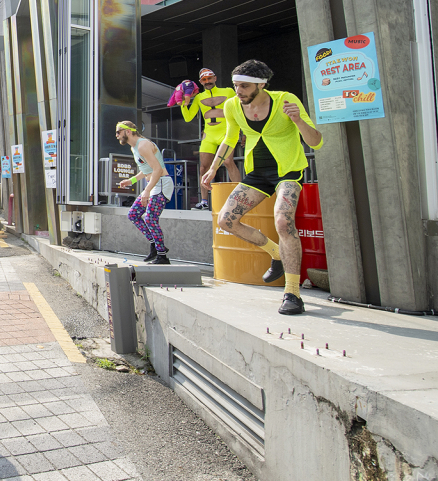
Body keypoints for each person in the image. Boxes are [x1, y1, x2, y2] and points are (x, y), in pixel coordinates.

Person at [204, 60, 323, 316]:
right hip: (256, 172)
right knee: (225, 220)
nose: (239, 91)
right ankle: (276, 253)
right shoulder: (232, 105)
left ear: (261, 84)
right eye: (236, 85)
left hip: (287, 169)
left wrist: (298, 121)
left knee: (283, 221)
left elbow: (316, 140)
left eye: (244, 86)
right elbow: (230, 137)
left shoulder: (284, 100)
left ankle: (292, 293)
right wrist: (213, 168)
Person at [181, 68, 242, 210]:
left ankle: (241, 196)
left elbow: (240, 110)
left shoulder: (228, 91)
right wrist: (184, 103)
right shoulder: (199, 97)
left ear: (215, 78)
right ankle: (204, 201)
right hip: (209, 135)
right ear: (201, 82)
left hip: (226, 132)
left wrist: (243, 131)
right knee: (203, 167)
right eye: (204, 80)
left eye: (209, 78)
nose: (207, 81)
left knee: (228, 161)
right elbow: (188, 117)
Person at [116, 122, 174, 265]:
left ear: (128, 132)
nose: (116, 135)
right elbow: (147, 169)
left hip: (161, 184)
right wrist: (131, 180)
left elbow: (158, 170)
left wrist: (147, 191)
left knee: (150, 218)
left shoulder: (143, 145)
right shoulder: (134, 147)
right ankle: (155, 245)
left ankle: (162, 256)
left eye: (118, 132)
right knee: (133, 214)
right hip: (154, 184)